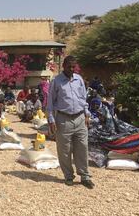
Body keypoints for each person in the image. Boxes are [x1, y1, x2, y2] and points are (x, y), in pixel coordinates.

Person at [47, 55, 94, 189]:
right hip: (63, 119)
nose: (72, 69)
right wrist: (51, 120)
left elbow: (83, 99)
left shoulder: (79, 79)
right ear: (64, 66)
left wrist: (86, 114)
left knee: (82, 148)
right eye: (69, 67)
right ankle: (68, 176)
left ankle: (85, 176)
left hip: (80, 118)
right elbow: (50, 103)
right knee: (64, 150)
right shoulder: (56, 81)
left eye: (74, 67)